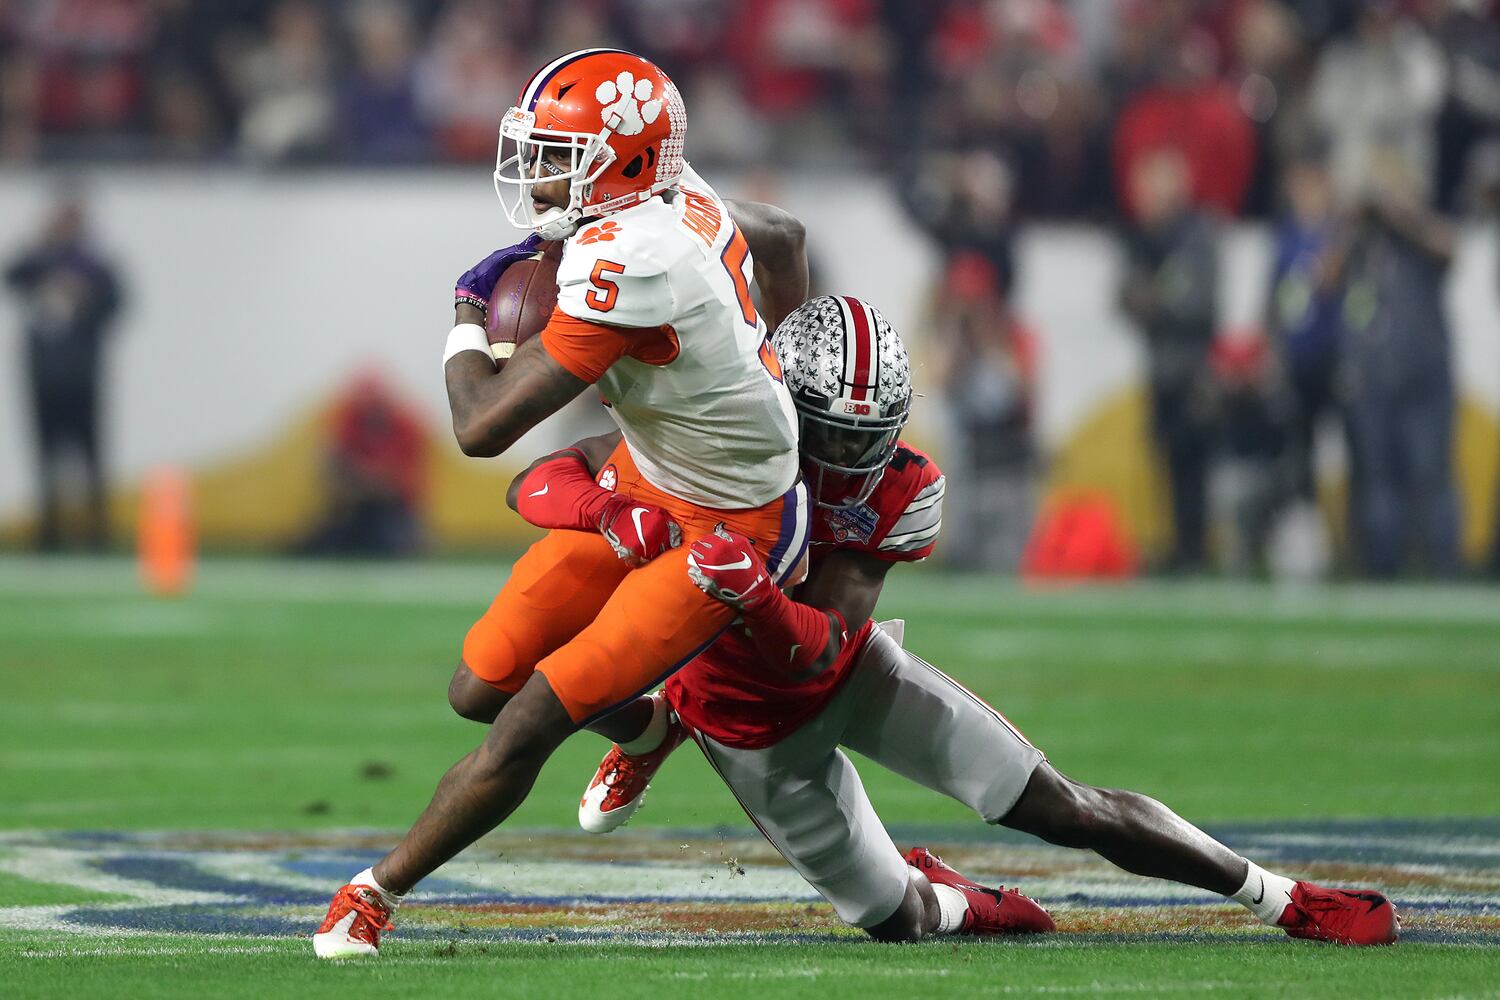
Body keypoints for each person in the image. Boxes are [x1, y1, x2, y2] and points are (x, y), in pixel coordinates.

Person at [519, 297, 1398, 947]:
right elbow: (545, 475)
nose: (850, 461)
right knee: (894, 920)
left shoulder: (908, 486)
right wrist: (605, 513)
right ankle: (943, 893)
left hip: (844, 673)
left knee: (1065, 807)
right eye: (830, 436)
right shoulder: (722, 443)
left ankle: (1282, 898)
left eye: (869, 438)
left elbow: (818, 645)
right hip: (747, 729)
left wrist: (750, 590)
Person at [313, 48, 811, 958]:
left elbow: (481, 427)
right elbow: (779, 236)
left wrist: (466, 309)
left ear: (619, 161)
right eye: (537, 150)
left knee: (530, 718)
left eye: (557, 154)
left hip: (732, 524)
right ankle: (654, 726)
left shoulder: (632, 258)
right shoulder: (664, 187)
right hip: (651, 470)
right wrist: (772, 357)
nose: (537, 175)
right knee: (480, 686)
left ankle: (373, 893)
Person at [5, 189, 123, 552]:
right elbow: (12, 276)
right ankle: (49, 531)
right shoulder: (40, 259)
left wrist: (85, 296)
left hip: (83, 375)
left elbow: (117, 303)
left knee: (91, 457)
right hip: (44, 374)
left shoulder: (96, 264)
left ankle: (96, 531)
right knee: (46, 456)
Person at [1119, 146, 1219, 573]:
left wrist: (1151, 300)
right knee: (1168, 463)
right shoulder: (1146, 239)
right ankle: (1181, 547)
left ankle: (1195, 549)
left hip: (1192, 370)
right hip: (1163, 367)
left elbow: (1194, 304)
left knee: (1193, 464)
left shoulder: (1197, 234)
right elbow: (1124, 296)